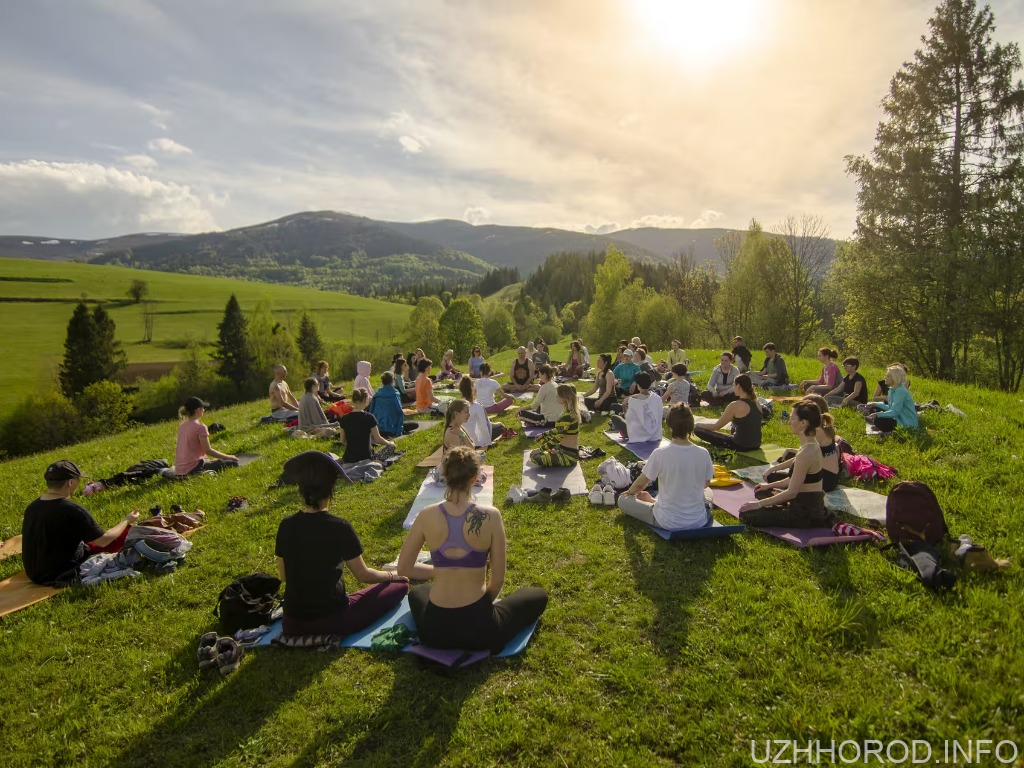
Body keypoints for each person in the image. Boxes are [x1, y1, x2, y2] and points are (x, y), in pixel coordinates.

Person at [398, 446, 547, 652]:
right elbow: (497, 580)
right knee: (537, 595)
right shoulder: (491, 516)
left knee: (418, 592)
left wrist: (440, 571)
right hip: (481, 630)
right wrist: (480, 608)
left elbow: (404, 569)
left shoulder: (426, 515)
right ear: (474, 477)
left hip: (436, 632)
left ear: (445, 475)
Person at [276, 451, 409, 636]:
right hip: (332, 621)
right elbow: (364, 575)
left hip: (292, 623)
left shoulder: (286, 525)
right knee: (399, 586)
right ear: (332, 488)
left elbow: (283, 575)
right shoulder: (339, 526)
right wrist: (392, 576)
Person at [22, 460, 141, 584]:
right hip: (61, 571)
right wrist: (127, 520)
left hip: (34, 573)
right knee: (127, 534)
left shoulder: (32, 507)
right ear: (70, 482)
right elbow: (103, 541)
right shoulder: (72, 509)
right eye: (78, 480)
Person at [738, 401, 833, 528]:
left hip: (804, 512)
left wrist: (758, 505)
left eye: (792, 418)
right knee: (761, 492)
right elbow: (793, 480)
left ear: (803, 423)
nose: (789, 422)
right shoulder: (810, 444)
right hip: (804, 502)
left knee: (747, 515)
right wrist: (769, 486)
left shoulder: (807, 452)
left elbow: (791, 493)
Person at [617, 407, 715, 530]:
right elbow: (705, 484)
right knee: (709, 492)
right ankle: (654, 501)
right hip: (698, 521)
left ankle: (653, 502)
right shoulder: (703, 453)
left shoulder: (660, 453)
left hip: (667, 521)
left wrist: (629, 493)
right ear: (691, 427)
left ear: (669, 426)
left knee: (623, 500)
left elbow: (639, 485)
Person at [763, 395, 840, 492]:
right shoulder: (825, 427)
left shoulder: (817, 431)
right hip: (831, 476)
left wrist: (774, 468)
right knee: (789, 455)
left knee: (772, 477)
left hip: (826, 479)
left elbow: (803, 457)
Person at [693, 374, 762, 451]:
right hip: (756, 444)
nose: (733, 388)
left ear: (738, 386)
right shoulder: (757, 403)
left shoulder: (734, 405)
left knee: (698, 430)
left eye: (734, 385)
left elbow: (716, 427)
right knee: (734, 425)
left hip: (740, 445)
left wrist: (697, 425)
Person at [174, 396, 239, 474]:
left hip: (179, 470)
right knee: (233, 463)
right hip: (193, 468)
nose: (204, 410)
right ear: (198, 410)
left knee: (214, 462)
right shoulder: (200, 427)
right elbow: (208, 450)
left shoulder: (182, 426)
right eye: (203, 408)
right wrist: (228, 457)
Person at [338, 388, 396, 464]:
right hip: (366, 458)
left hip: (348, 458)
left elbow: (342, 441)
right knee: (391, 447)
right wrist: (390, 443)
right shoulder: (369, 417)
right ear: (365, 400)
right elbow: (378, 439)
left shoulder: (344, 418)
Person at [529, 385, 581, 467]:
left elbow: (558, 437)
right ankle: (556, 451)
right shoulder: (568, 412)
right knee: (543, 439)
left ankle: (556, 453)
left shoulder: (568, 416)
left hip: (569, 456)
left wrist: (540, 450)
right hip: (563, 449)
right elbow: (558, 430)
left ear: (564, 397)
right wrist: (543, 434)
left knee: (535, 458)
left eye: (558, 395)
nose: (556, 397)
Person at [610, 372, 663, 443]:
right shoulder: (657, 398)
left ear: (638, 385)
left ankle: (626, 433)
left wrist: (624, 408)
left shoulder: (634, 401)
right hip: (655, 434)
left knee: (615, 418)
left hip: (638, 434)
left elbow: (628, 418)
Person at [865, 365, 918, 432]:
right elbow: (891, 407)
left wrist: (877, 414)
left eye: (888, 376)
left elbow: (895, 412)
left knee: (879, 419)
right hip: (898, 418)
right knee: (873, 409)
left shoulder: (900, 391)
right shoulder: (893, 389)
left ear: (894, 378)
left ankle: (887, 430)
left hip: (906, 423)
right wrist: (875, 404)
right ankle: (884, 428)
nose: (885, 378)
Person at [369, 372, 418, 438]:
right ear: (393, 380)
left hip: (377, 429)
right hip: (391, 428)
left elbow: (371, 412)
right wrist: (398, 431)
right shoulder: (394, 394)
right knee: (415, 425)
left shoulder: (376, 394)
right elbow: (399, 412)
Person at [460, 376, 503, 447]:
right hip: (476, 442)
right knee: (500, 426)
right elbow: (484, 427)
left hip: (462, 440)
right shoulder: (477, 406)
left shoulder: (455, 405)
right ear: (473, 389)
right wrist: (488, 444)